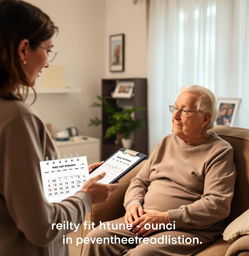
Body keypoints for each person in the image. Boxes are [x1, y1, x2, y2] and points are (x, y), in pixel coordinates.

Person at [0, 1, 118, 255]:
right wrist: (86, 197)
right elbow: (42, 228)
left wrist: (73, 179)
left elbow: (15, 185)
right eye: (47, 50)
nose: (47, 63)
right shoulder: (16, 118)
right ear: (23, 49)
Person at [83, 85, 236, 256]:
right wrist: (133, 204)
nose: (175, 116)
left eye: (185, 111)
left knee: (141, 254)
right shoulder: (166, 142)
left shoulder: (220, 151)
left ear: (205, 119)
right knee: (96, 237)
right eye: (175, 108)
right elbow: (139, 181)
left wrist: (166, 218)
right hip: (144, 220)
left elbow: (217, 204)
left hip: (188, 229)